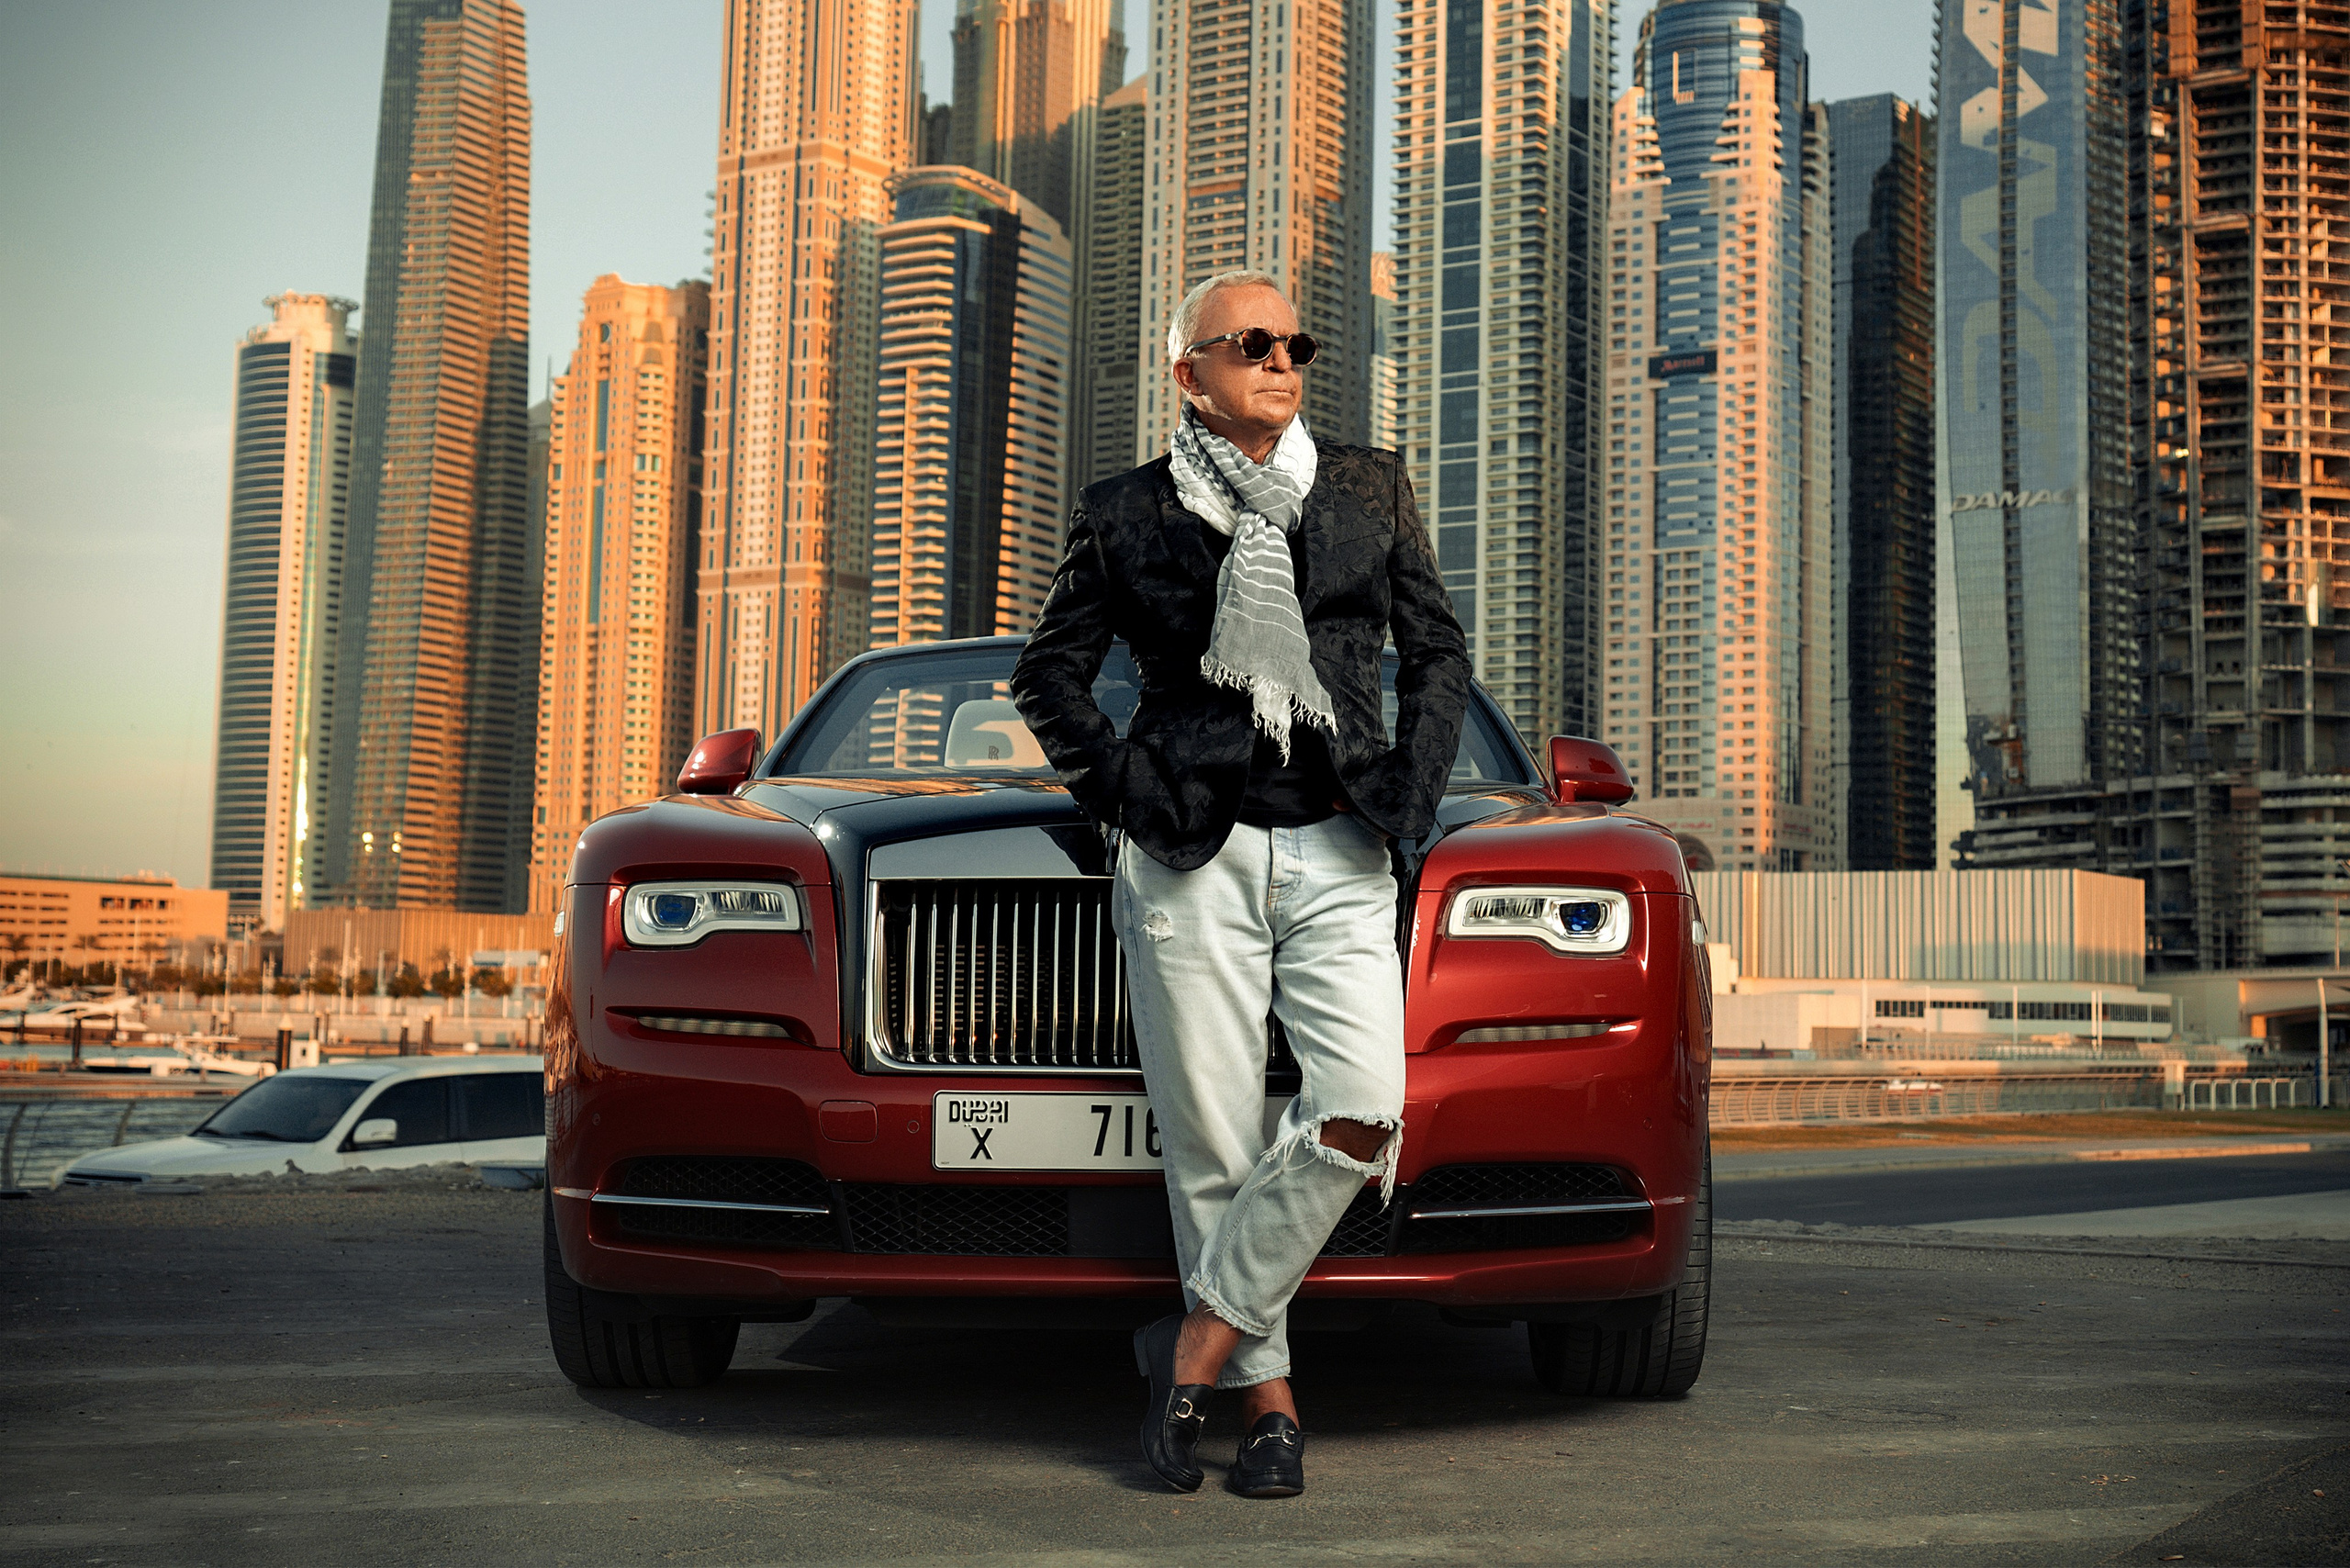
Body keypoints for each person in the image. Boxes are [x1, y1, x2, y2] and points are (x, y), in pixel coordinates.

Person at [1010, 270, 1469, 1497]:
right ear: (1189, 374)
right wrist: (1123, 793)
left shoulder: (1369, 488)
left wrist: (1408, 811)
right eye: (1250, 344)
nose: (1281, 360)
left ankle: (1195, 1355)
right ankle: (1270, 1412)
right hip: (1189, 853)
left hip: (1340, 843)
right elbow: (1046, 677)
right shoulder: (1125, 511)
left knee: (1364, 1103)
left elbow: (1436, 654)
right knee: (1212, 1145)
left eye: (1294, 343)